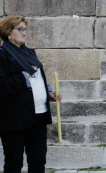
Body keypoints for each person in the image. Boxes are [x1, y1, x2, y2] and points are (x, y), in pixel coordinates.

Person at [0, 15, 62, 173]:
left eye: (25, 29)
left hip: (38, 116)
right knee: (14, 164)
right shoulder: (2, 55)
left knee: (38, 162)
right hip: (15, 120)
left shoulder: (30, 53)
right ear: (8, 32)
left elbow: (38, 79)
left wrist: (49, 92)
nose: (24, 33)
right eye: (20, 29)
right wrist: (23, 77)